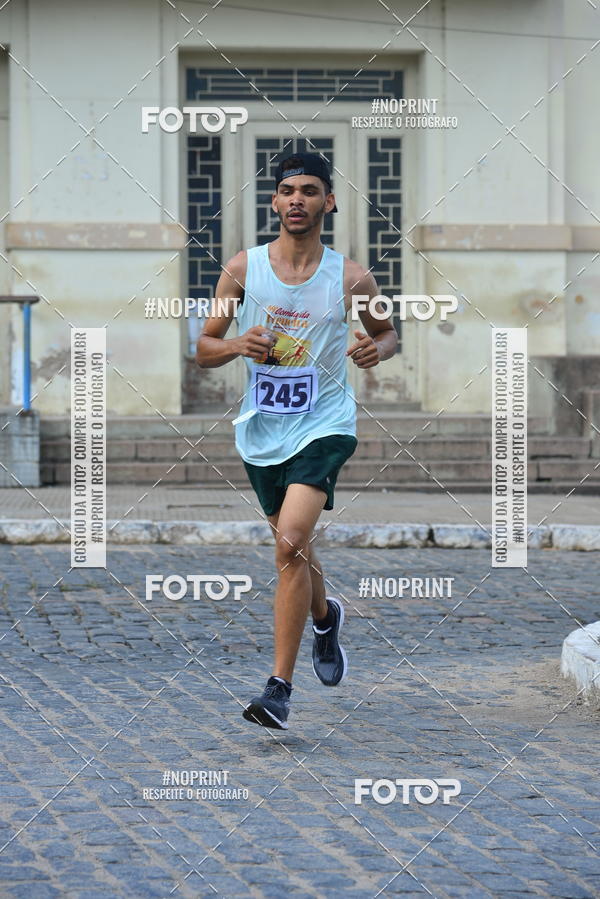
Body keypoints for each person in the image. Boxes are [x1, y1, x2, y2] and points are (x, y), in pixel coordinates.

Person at [196, 152, 397, 730]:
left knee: (288, 544)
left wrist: (372, 350)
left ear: (327, 202)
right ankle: (326, 616)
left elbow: (387, 335)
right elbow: (205, 347)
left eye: (310, 190)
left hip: (325, 425)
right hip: (263, 429)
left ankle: (278, 688)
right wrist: (237, 345)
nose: (297, 200)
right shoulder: (242, 269)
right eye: (287, 190)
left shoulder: (351, 277)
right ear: (275, 202)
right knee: (298, 551)